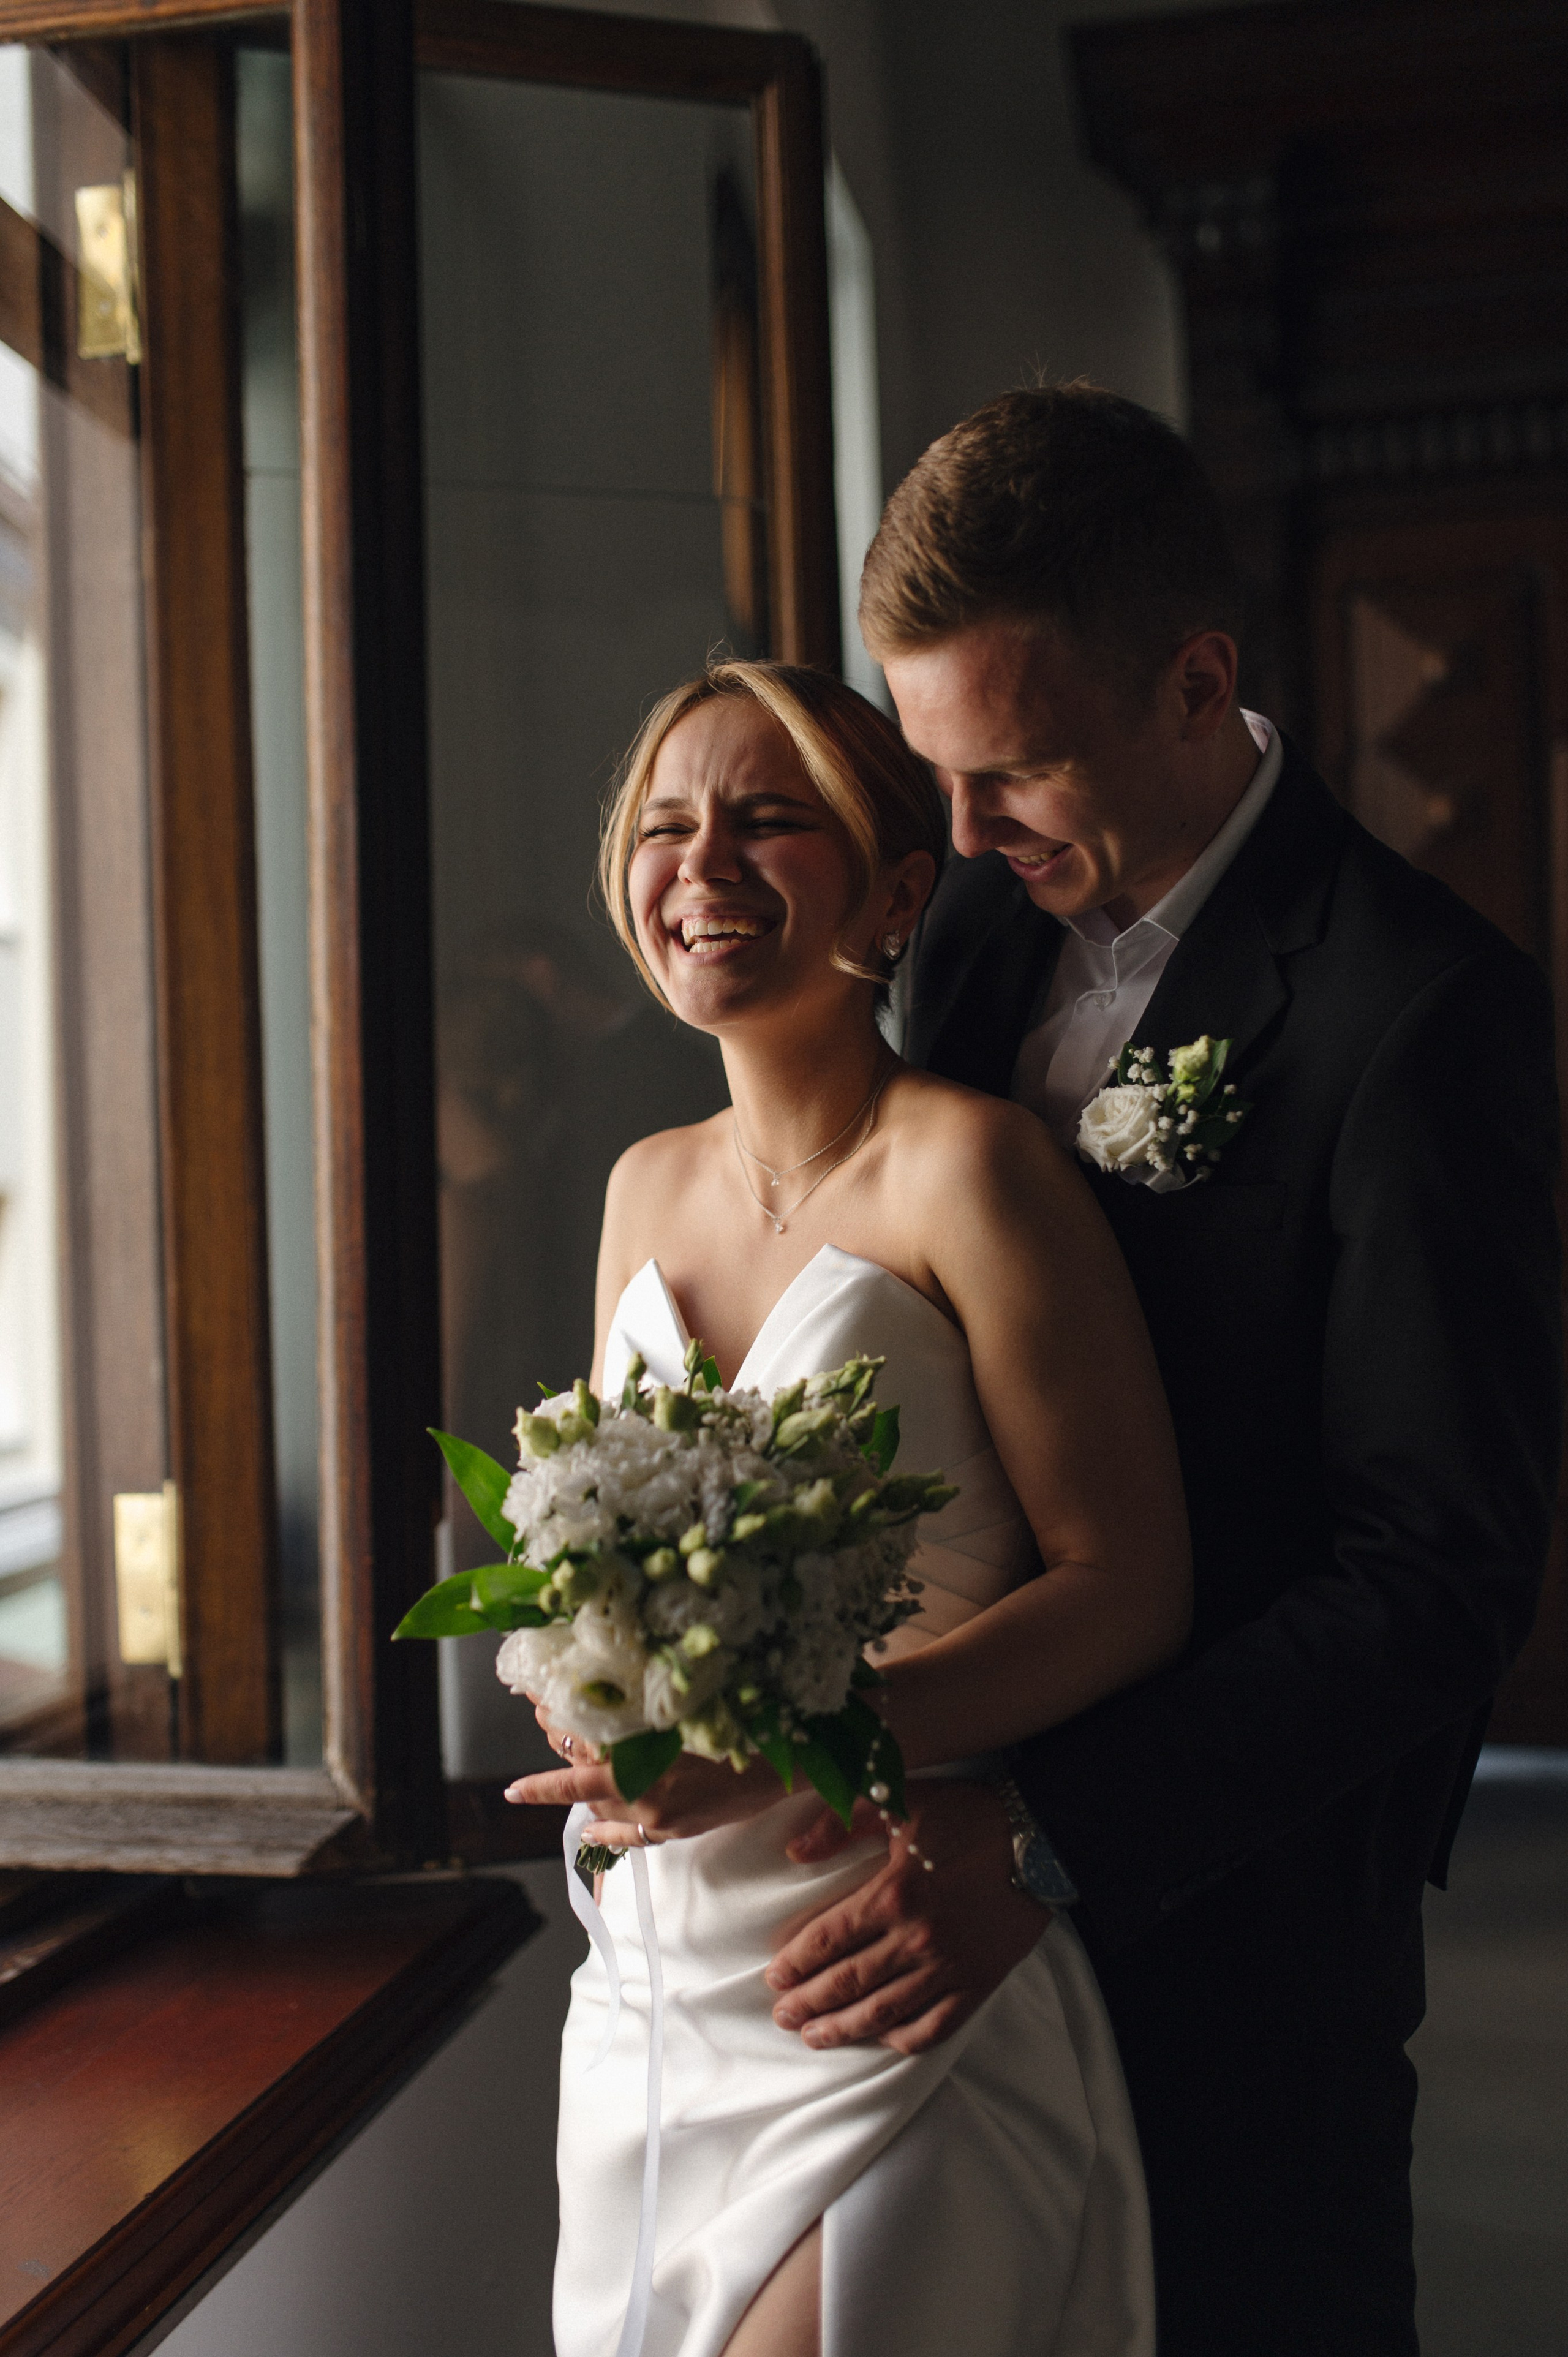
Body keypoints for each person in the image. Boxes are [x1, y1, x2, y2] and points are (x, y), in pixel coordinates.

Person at [750, 385, 1562, 2356]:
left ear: (1198, 683)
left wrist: (1049, 1840)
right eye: (931, 771)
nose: (954, 835)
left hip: (1235, 1928)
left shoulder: (1421, 1011)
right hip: (906, 1911)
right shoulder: (952, 939)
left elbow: (1435, 1574)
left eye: (1012, 767)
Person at [510, 656, 1193, 2357]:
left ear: (897, 890)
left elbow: (1131, 1583)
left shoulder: (971, 1170)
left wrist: (831, 1738)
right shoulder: (640, 1187)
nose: (704, 867)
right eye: (668, 827)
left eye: (767, 821)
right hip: (660, 1985)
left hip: (898, 1957)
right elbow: (603, 1564)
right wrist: (603, 1702)